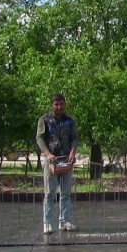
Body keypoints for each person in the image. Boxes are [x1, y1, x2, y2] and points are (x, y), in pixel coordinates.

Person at [36, 93, 79, 234]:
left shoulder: (69, 121)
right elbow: (40, 138)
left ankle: (64, 221)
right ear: (51, 105)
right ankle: (47, 223)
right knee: (49, 193)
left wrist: (73, 152)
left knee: (66, 192)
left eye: (61, 104)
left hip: (66, 159)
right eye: (56, 104)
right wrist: (48, 154)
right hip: (52, 160)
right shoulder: (44, 120)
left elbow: (74, 138)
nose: (59, 107)